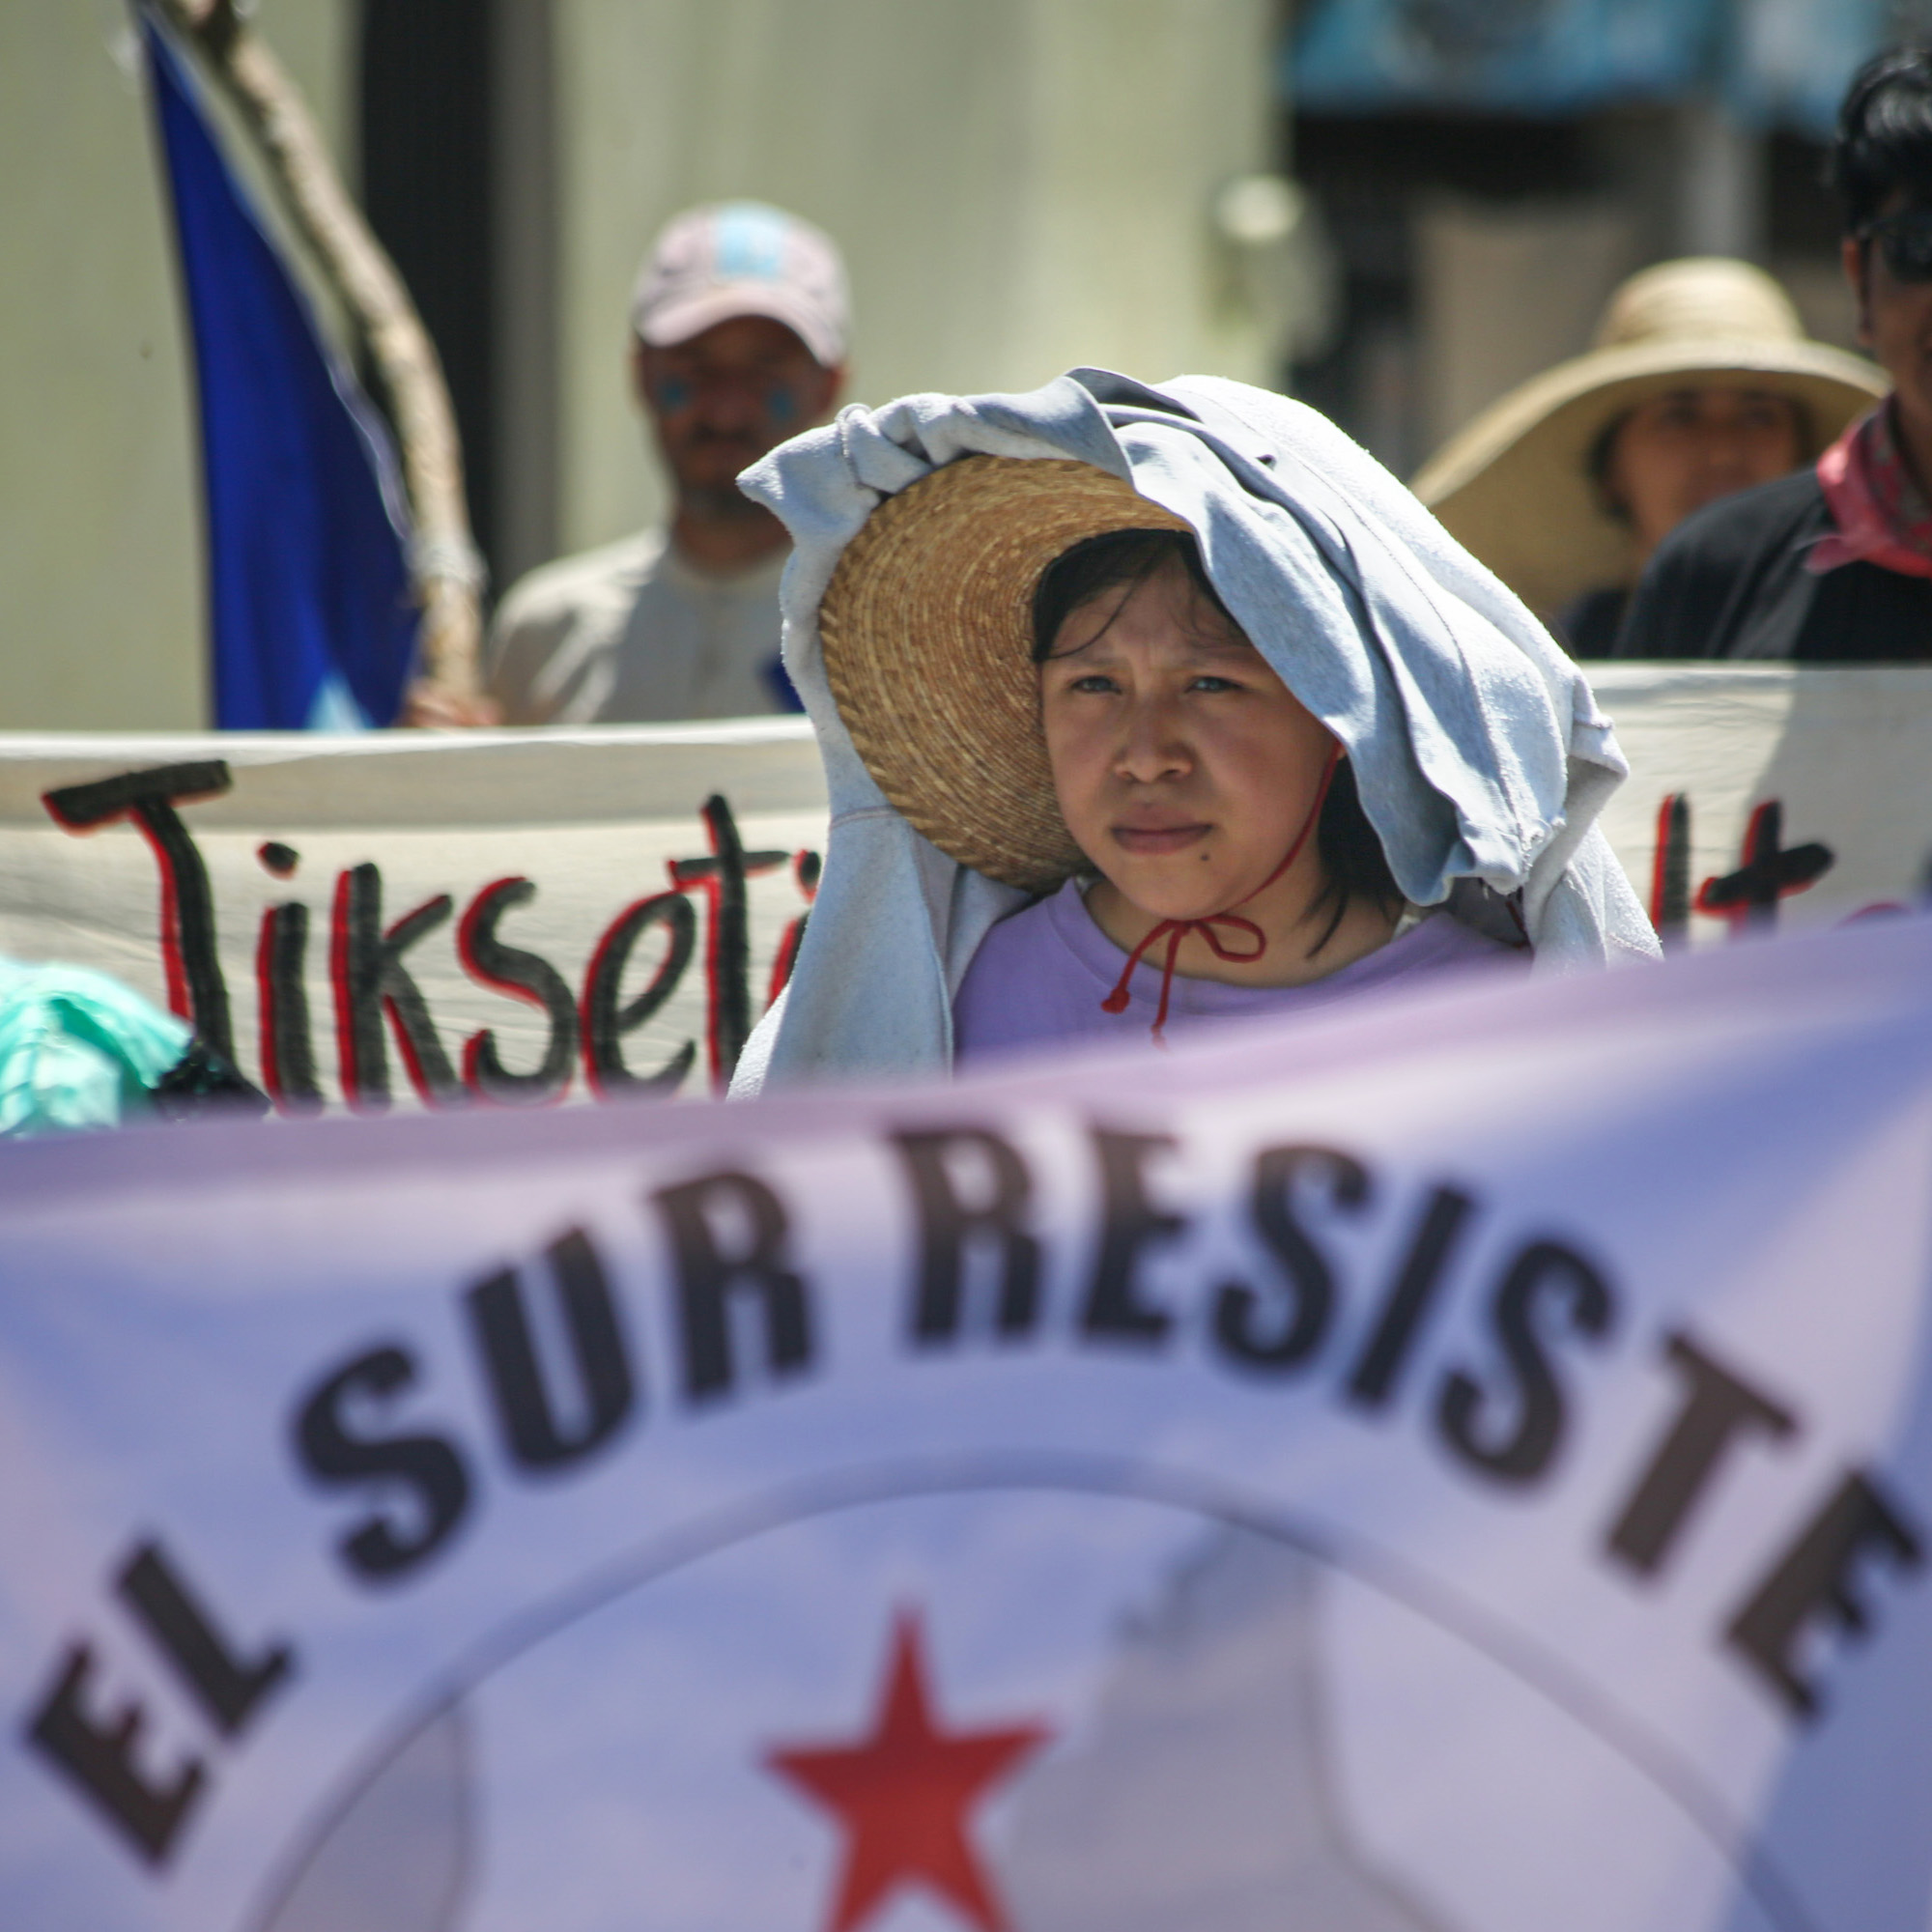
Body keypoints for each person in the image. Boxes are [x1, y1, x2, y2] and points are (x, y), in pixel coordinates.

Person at [726, 369, 1659, 1094]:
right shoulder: (960, 1018)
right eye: (1093, 684)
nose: (1145, 755)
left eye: (1212, 683)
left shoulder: (1506, 1037)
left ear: (1345, 719)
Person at [414, 202, 848, 725]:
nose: (726, 410)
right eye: (694, 368)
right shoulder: (546, 635)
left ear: (828, 387)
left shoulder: (887, 634)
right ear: (642, 375)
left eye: (765, 372)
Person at [1613, 50, 1932, 661]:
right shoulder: (1712, 574)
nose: (1721, 450)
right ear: (1859, 279)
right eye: (1922, 245)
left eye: (1758, 416)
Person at [1413, 260, 1882, 658]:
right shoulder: (1554, 666)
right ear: (1611, 471)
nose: (1722, 451)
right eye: (1679, 418)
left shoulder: (1863, 636)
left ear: (1802, 457)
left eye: (1759, 418)